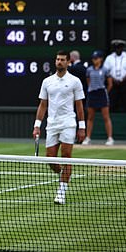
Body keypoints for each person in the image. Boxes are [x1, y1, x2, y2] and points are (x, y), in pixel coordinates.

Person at [32, 50, 85, 205]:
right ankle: (64, 172)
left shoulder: (75, 81)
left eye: (62, 60)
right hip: (52, 124)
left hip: (68, 122)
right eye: (57, 59)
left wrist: (82, 127)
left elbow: (79, 106)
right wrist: (37, 125)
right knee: (51, 160)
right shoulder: (47, 82)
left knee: (66, 155)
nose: (59, 62)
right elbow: (43, 105)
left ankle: (61, 192)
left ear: (68, 62)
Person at [82, 50, 114, 146]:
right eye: (93, 58)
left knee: (106, 117)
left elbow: (110, 84)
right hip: (92, 94)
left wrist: (105, 92)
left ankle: (110, 138)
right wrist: (92, 89)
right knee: (90, 117)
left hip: (102, 94)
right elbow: (88, 81)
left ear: (101, 59)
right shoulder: (89, 70)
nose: (94, 60)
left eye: (96, 58)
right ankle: (88, 138)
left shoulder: (105, 70)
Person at [104, 39, 126, 113]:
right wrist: (113, 79)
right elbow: (106, 71)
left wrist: (122, 79)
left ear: (122, 48)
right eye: (116, 48)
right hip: (112, 83)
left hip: (125, 83)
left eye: (119, 47)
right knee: (112, 102)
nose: (118, 49)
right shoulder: (109, 58)